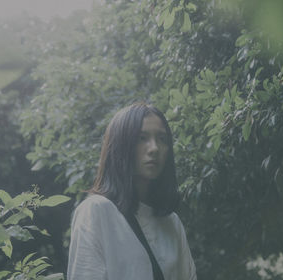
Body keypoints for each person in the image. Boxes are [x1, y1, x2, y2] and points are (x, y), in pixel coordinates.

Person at [67, 102, 197, 280]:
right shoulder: (96, 211)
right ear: (122, 145)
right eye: (141, 138)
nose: (154, 148)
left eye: (162, 139)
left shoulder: (171, 223)